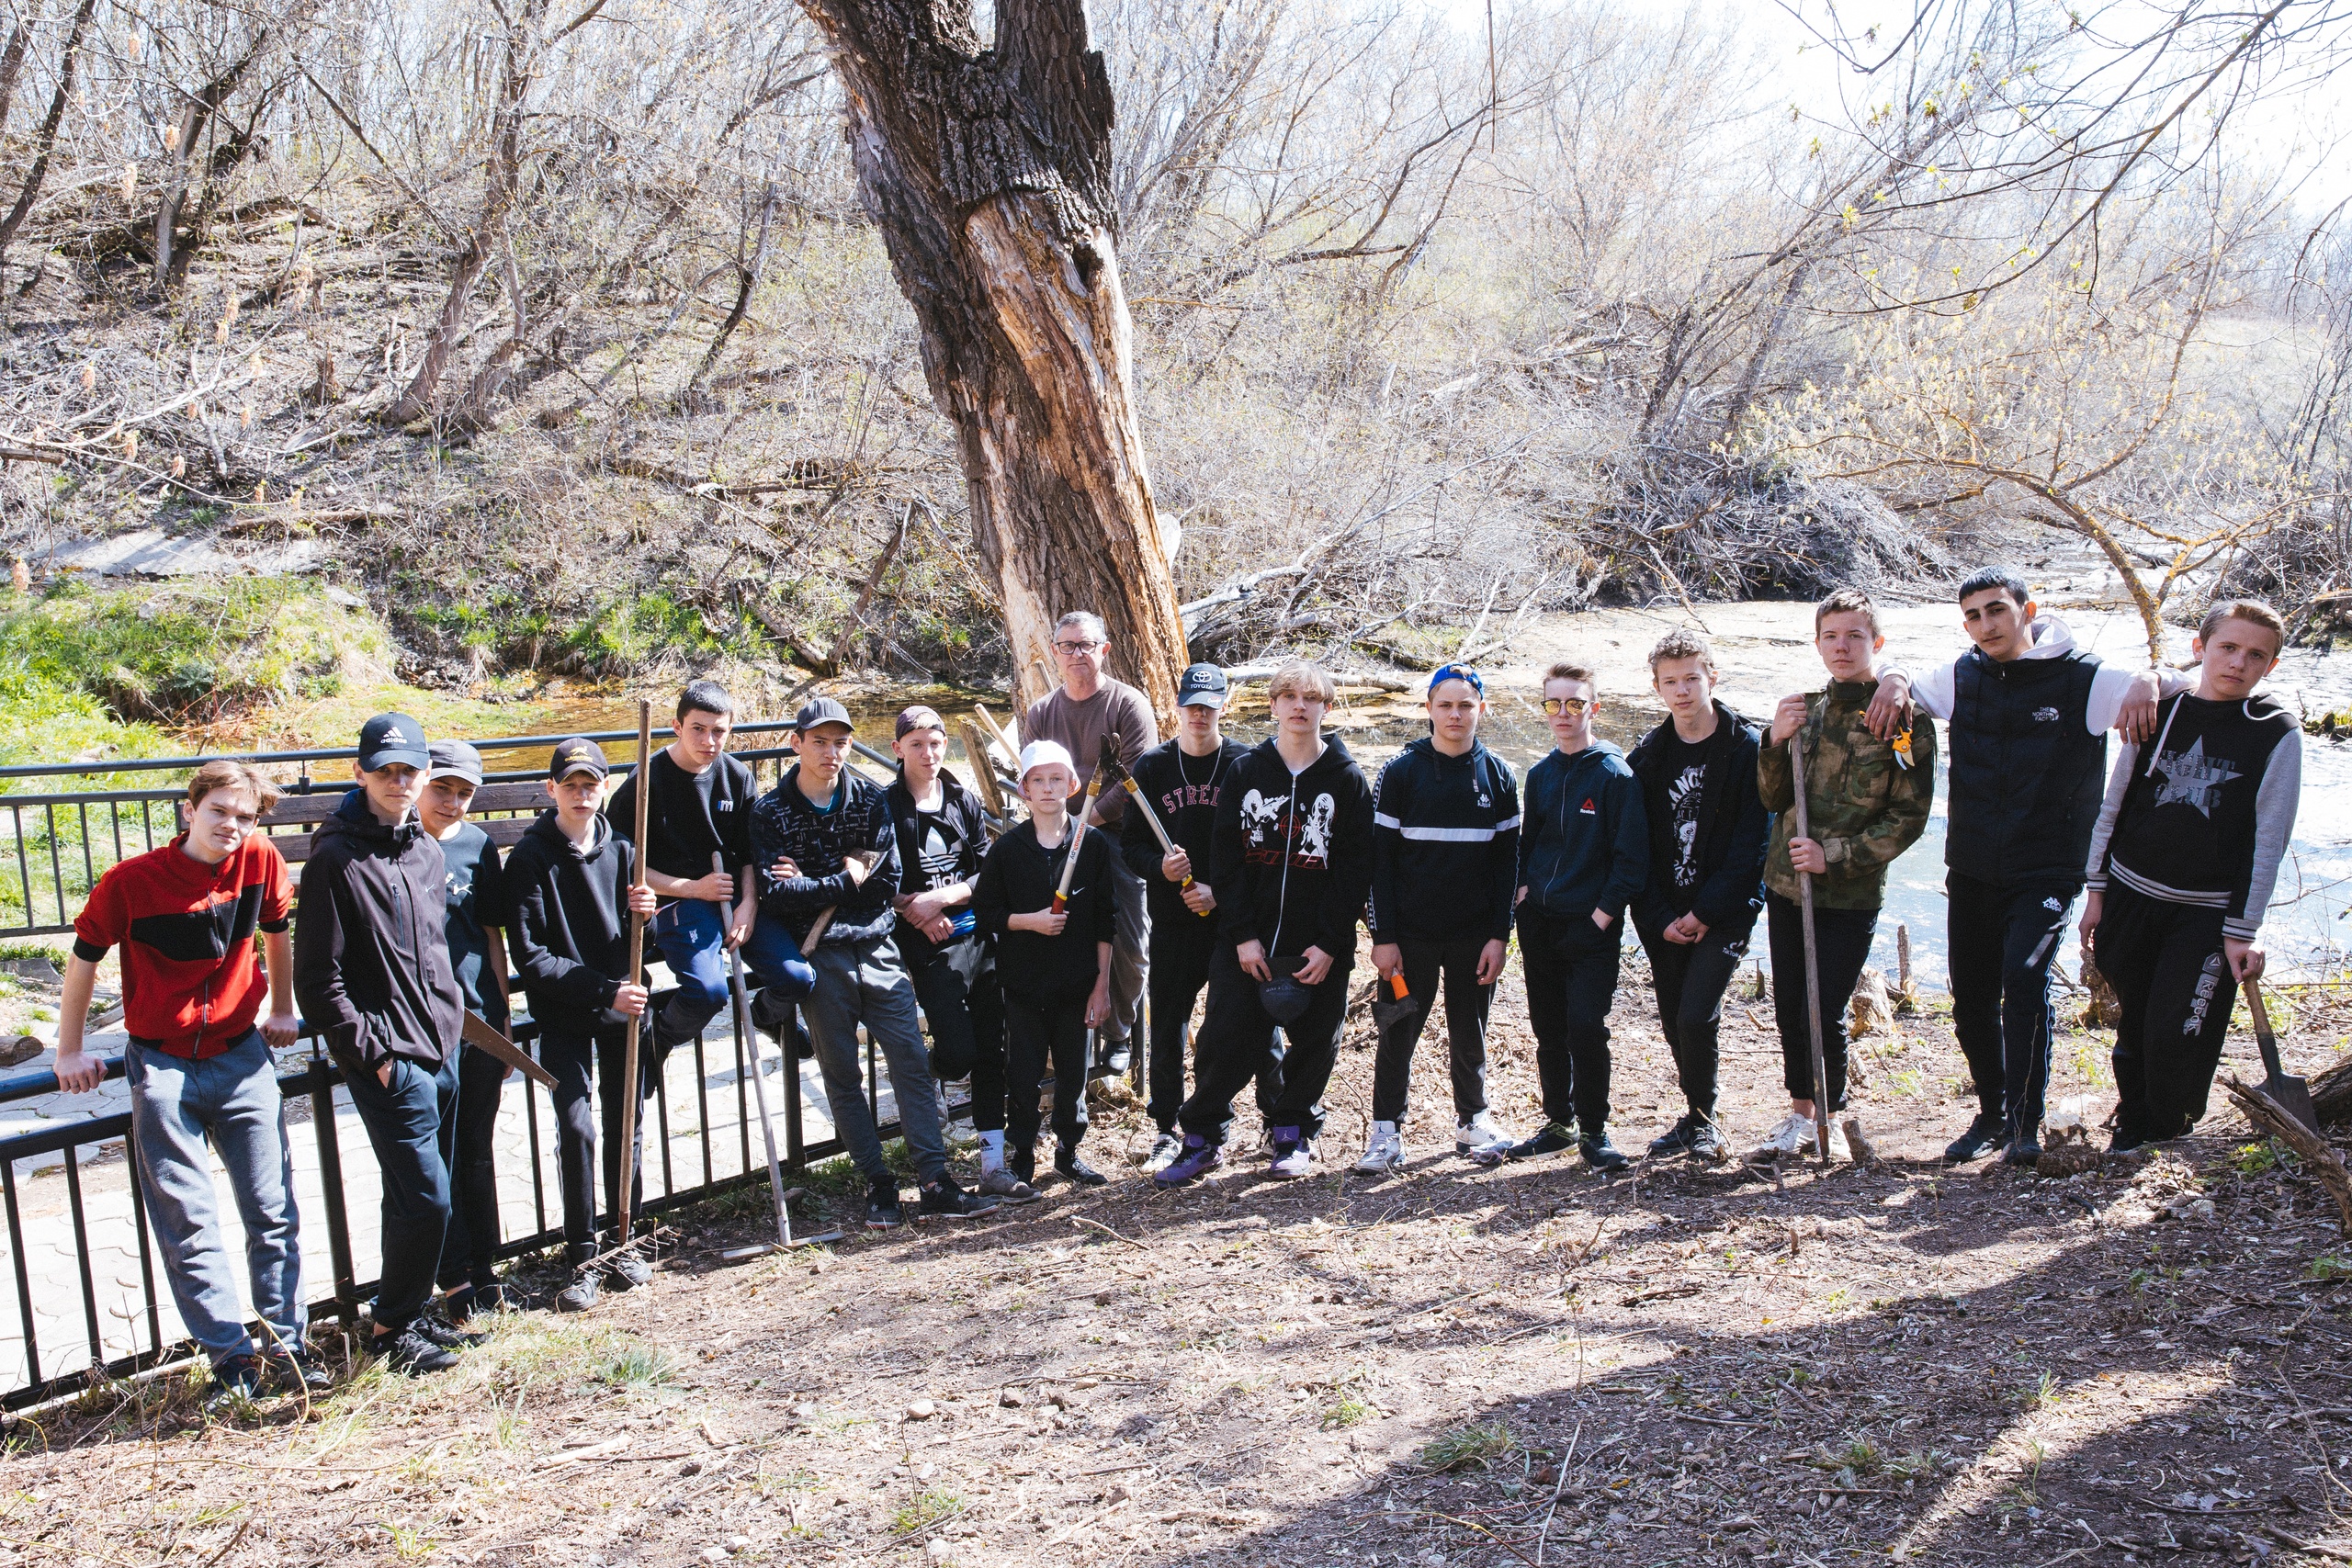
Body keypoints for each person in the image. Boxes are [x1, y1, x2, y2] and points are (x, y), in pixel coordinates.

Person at [1869, 569, 2173, 1167]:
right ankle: (1990, 1112)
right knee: (1971, 998)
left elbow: (2192, 680)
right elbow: (1901, 677)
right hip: (1975, 866)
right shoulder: (1962, 676)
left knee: (2024, 978)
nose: (1986, 625)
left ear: (2026, 609)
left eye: (1996, 611)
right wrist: (1895, 677)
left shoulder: (2085, 676)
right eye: (1974, 616)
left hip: (2048, 866)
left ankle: (2023, 1124)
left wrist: (2147, 676)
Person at [54, 760, 326, 1403]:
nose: (232, 826)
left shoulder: (259, 861)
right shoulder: (131, 883)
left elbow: (277, 932)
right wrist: (69, 1050)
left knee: (272, 1208)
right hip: (161, 1061)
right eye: (219, 812)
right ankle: (231, 1359)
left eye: (245, 815)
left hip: (240, 1054)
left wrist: (281, 1006)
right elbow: (83, 961)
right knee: (188, 1219)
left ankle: (288, 1343)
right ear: (189, 808)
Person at [750, 697, 998, 1226]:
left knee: (910, 1060)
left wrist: (813, 882)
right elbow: (776, 897)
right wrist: (843, 878)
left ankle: (934, 1178)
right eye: (819, 741)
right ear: (797, 744)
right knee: (841, 1075)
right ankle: (878, 1182)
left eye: (840, 741)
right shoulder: (771, 811)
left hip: (880, 947)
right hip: (821, 958)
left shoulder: (867, 798)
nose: (832, 752)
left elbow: (885, 884)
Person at [2083, 600, 2301, 1152]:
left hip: (2205, 912)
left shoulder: (2274, 732)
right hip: (2132, 893)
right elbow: (2116, 803)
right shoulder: (2160, 709)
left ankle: (2168, 1125)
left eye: (2256, 655)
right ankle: (2133, 1119)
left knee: (2180, 1027)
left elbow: (2268, 840)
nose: (2238, 663)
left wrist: (2242, 928)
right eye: (2227, 647)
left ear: (2270, 667)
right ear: (2201, 648)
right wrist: (2097, 889)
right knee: (2133, 1024)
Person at [293, 713, 474, 1374]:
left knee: (411, 1196)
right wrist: (376, 1057)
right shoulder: (335, 859)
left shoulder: (423, 849)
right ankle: (393, 1327)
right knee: (429, 1198)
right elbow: (317, 980)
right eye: (386, 771)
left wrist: (450, 1025)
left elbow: (432, 950)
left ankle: (403, 1315)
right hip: (391, 1061)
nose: (399, 783)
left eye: (410, 771)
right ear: (360, 772)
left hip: (439, 1047)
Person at [1156, 662, 1374, 1187]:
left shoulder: (1346, 780)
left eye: (1312, 698)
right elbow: (1225, 860)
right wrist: (1242, 934)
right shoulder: (1247, 772)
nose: (1300, 707)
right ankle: (1203, 1136)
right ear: (1273, 706)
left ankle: (1292, 1131)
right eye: (1290, 697)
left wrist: (1329, 942)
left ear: (1326, 708)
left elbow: (1355, 870)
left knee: (1316, 1038)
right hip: (1247, 941)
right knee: (1224, 1038)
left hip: (1317, 942)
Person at [1752, 592, 1936, 1162]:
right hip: (1786, 885)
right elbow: (1772, 796)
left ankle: (1828, 1113)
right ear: (1817, 643)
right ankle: (1800, 1115)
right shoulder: (1803, 712)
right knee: (1789, 1006)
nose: (1841, 646)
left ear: (1875, 644)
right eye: (1830, 636)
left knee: (1824, 1004)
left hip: (1847, 891)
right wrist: (1775, 742)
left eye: (1854, 636)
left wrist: (1834, 854)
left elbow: (1909, 817)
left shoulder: (1903, 723)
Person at [499, 737, 662, 1311]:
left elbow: (644, 945)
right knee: (578, 1128)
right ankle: (581, 1252)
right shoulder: (529, 860)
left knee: (627, 1124)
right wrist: (604, 990)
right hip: (568, 1012)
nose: (582, 795)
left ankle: (626, 1239)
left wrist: (649, 916)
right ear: (551, 790)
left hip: (625, 1011)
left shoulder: (623, 852)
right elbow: (532, 957)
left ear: (603, 789)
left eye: (591, 785)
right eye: (570, 785)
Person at [1360, 663, 1521, 1171]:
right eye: (1445, 704)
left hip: (1474, 938)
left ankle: (1473, 1121)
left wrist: (1500, 936)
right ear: (1428, 708)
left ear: (1481, 709)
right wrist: (1382, 936)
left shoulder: (1498, 775)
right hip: (1409, 940)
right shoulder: (1400, 772)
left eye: (1466, 705)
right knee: (1399, 1028)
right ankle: (1385, 1133)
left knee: (1470, 1028)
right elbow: (1377, 865)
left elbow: (1507, 868)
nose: (1456, 714)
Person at [605, 680, 813, 1054]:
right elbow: (622, 862)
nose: (709, 741)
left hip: (734, 897)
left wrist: (749, 904)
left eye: (719, 731)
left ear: (730, 730)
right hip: (678, 901)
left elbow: (750, 854)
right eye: (698, 729)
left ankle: (766, 1018)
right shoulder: (646, 782)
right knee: (708, 992)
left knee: (798, 978)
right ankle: (657, 1043)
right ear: (677, 727)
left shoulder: (736, 776)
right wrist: (692, 888)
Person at [1625, 631, 1768, 1163]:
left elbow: (1753, 846)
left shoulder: (1745, 748)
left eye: (1692, 678)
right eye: (1671, 682)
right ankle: (1692, 1116)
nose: (1682, 691)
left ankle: (1707, 1121)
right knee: (1671, 1017)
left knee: (1695, 1014)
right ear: (1658, 688)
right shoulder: (1649, 756)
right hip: (1662, 913)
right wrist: (1662, 916)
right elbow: (1635, 846)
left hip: (1723, 912)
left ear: (1712, 678)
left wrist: (1704, 913)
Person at [1509, 661, 1646, 1170]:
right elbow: (1528, 844)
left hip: (1590, 926)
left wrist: (1600, 920)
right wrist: (1523, 893)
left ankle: (1594, 1129)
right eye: (1553, 704)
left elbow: (1631, 861)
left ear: (1594, 707)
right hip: (1540, 920)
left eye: (1574, 703)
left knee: (1586, 1025)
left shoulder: (1615, 774)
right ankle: (1559, 1123)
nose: (1563, 714)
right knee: (1548, 1027)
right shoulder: (1542, 774)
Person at [886, 705, 1026, 1202]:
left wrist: (943, 898)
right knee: (960, 1049)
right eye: (917, 744)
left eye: (937, 743)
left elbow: (986, 870)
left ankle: (993, 1163)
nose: (928, 753)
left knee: (993, 1049)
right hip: (928, 947)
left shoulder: (962, 799)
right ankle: (932, 1071)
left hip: (977, 935)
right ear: (898, 748)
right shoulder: (887, 807)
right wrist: (915, 909)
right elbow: (878, 879)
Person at [1119, 663, 1252, 1171]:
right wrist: (1161, 865)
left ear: (1224, 707)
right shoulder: (1151, 768)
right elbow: (1130, 847)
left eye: (1210, 706)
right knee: (1169, 1023)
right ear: (1177, 707)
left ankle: (1251, 1116)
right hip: (1172, 922)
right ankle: (1168, 1126)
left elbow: (1258, 847)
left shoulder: (1244, 764)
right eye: (1192, 705)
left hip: (1227, 921)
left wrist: (1220, 893)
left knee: (1236, 1021)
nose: (1200, 714)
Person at [974, 740, 1117, 1187]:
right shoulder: (1008, 849)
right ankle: (1021, 1153)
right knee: (1024, 1074)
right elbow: (986, 912)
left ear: (1073, 785)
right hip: (1023, 986)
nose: (1049, 788)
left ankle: (1069, 1150)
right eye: (1039, 780)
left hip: (1076, 986)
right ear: (1024, 791)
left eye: (1057, 778)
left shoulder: (1090, 845)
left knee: (1073, 1072)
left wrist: (1101, 987)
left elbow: (1105, 923)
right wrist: (1029, 922)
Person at [1023, 611, 1159, 1074]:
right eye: (1067, 646)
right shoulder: (1042, 712)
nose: (1076, 654)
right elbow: (1033, 777)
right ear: (1055, 653)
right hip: (1059, 832)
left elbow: (1135, 778)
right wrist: (1061, 829)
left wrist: (1086, 823)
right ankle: (1052, 1030)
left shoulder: (1128, 704)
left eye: (1085, 645)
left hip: (1119, 835)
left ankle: (1119, 1032)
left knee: (1131, 939)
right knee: (1041, 925)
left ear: (1104, 649)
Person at [418, 740, 521, 1318]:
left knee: (476, 1147)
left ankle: (485, 1266)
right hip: (425, 1023)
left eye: (465, 794)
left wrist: (502, 1012)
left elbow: (491, 934)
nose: (453, 803)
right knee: (439, 1148)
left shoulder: (478, 846)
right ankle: (450, 1272)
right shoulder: (399, 845)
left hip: (478, 1012)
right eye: (444, 789)